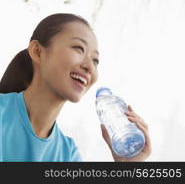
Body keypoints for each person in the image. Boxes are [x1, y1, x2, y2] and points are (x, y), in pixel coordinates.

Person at [0, 13, 151, 162]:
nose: (89, 67)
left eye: (95, 60)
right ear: (38, 52)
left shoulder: (68, 154)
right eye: (79, 48)